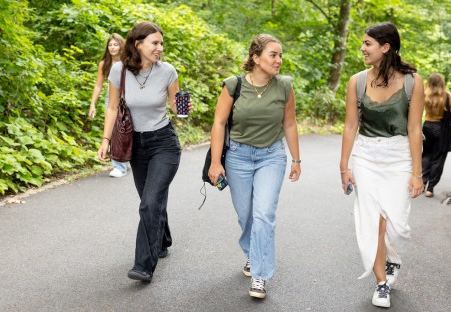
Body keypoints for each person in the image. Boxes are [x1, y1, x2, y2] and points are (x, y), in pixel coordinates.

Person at [208, 34, 301, 299]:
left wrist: (296, 159)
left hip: (271, 156)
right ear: (256, 58)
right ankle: (252, 252)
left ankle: (260, 275)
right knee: (246, 215)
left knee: (263, 214)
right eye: (273, 54)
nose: (279, 60)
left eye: (280, 55)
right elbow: (219, 123)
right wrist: (216, 163)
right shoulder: (233, 85)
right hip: (237, 156)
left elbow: (290, 123)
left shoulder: (284, 86)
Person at [339, 22, 424, 308]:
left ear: (385, 47)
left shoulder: (413, 81)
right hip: (366, 156)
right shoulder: (357, 81)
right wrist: (344, 166)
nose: (362, 48)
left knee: (396, 225)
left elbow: (414, 129)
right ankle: (381, 283)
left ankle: (392, 259)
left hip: (399, 155)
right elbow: (350, 126)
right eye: (362, 44)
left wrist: (417, 173)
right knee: (374, 222)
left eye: (367, 44)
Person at [98, 21, 187, 283]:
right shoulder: (119, 70)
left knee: (150, 202)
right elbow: (112, 108)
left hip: (164, 143)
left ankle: (143, 266)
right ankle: (162, 240)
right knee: (151, 200)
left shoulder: (168, 71)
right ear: (138, 44)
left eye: (161, 43)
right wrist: (105, 140)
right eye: (155, 43)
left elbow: (176, 107)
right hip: (135, 145)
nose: (160, 48)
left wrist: (183, 107)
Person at [89, 33, 130, 178]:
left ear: (121, 46)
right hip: (111, 98)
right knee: (113, 130)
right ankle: (119, 166)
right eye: (110, 45)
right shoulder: (104, 63)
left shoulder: (128, 61)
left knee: (128, 129)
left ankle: (126, 157)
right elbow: (98, 85)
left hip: (129, 97)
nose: (112, 48)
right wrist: (92, 104)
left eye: (115, 45)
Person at [421, 73, 451, 198]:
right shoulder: (448, 96)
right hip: (441, 130)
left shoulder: (424, 94)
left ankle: (422, 183)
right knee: (438, 159)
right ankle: (430, 189)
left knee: (426, 155)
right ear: (442, 83)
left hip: (427, 127)